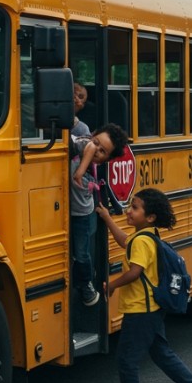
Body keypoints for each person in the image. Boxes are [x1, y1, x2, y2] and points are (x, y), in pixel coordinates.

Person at [95, 188, 192, 383]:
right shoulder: (148, 236)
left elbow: (135, 272)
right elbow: (125, 242)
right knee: (162, 355)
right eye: (131, 206)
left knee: (126, 360)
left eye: (135, 208)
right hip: (151, 308)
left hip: (141, 309)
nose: (129, 211)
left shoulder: (142, 240)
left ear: (150, 217)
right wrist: (108, 218)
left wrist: (112, 284)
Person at [70, 124, 128, 307]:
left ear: (106, 160)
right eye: (96, 142)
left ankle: (86, 281)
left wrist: (81, 172)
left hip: (82, 216)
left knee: (81, 253)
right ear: (91, 136)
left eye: (103, 151)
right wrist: (79, 171)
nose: (96, 149)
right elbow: (87, 146)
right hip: (66, 211)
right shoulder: (81, 144)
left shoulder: (92, 171)